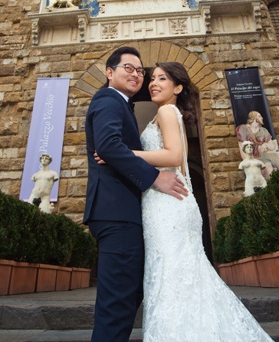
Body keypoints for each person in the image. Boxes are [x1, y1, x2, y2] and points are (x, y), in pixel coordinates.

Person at [99, 62, 273, 341]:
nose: (153, 83)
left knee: (171, 276)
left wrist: (123, 153)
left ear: (178, 88)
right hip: (168, 202)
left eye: (162, 79)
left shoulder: (167, 111)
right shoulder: (166, 114)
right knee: (177, 275)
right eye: (152, 78)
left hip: (169, 204)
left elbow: (173, 157)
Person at [83, 46, 188, 342]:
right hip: (115, 213)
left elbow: (116, 149)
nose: (137, 74)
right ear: (109, 73)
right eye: (128, 68)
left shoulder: (125, 106)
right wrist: (155, 178)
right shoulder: (107, 98)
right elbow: (108, 146)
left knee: (129, 293)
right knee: (117, 301)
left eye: (140, 71)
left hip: (125, 213)